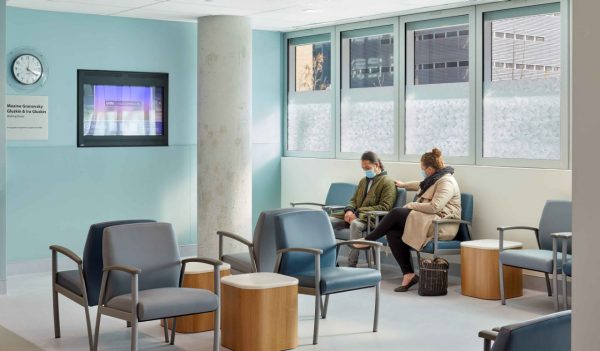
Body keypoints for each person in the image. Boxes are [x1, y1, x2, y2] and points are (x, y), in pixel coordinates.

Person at [354, 148, 461, 292]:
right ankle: (409, 274)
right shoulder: (435, 178)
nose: (422, 171)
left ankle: (368, 240)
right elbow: (421, 184)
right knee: (393, 232)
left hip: (441, 225)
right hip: (429, 220)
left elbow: (435, 207)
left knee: (396, 213)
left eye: (422, 169)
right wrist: (403, 185)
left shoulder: (446, 182)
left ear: (429, 169)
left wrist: (411, 205)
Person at [330, 151, 397, 267]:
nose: (366, 171)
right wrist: (349, 211)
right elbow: (354, 200)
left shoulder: (388, 182)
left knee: (355, 224)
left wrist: (358, 213)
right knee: (328, 221)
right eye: (363, 168)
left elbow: (385, 207)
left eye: (368, 167)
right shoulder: (363, 181)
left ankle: (351, 265)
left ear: (377, 165)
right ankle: (330, 262)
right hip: (355, 215)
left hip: (372, 220)